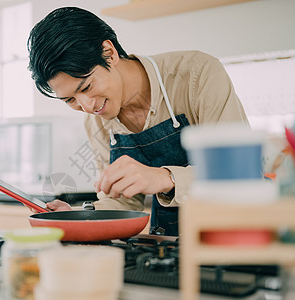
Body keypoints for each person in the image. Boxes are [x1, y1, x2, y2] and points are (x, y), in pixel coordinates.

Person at [27, 7, 248, 236]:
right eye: (70, 99)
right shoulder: (97, 123)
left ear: (109, 53)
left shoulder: (197, 74)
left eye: (87, 87)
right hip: (167, 249)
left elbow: (239, 173)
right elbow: (122, 204)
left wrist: (166, 178)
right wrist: (74, 216)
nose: (87, 107)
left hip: (232, 240)